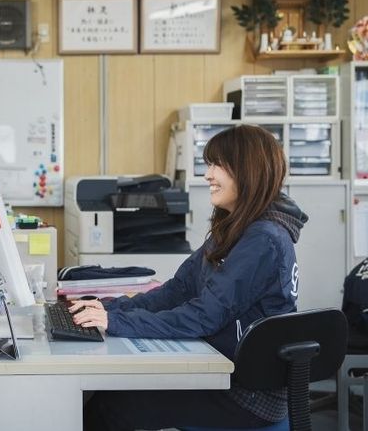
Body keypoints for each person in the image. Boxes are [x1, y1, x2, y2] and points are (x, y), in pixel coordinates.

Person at [75, 124, 306, 430]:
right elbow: (177, 290)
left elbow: (204, 316)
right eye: (208, 165)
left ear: (248, 170)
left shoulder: (263, 238)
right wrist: (109, 309)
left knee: (113, 405)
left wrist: (116, 323)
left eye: (217, 165)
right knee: (110, 396)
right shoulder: (235, 228)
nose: (208, 175)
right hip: (223, 370)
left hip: (246, 394)